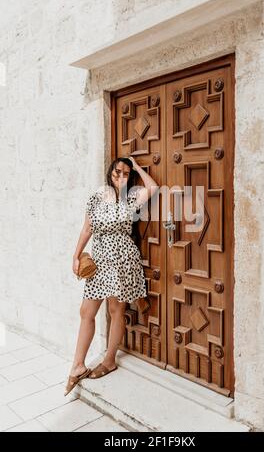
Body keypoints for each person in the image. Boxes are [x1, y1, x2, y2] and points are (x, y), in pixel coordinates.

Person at [64, 156, 159, 396]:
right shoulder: (96, 197)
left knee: (116, 310)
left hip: (123, 261)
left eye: (126, 173)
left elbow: (154, 188)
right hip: (99, 261)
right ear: (111, 171)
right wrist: (76, 256)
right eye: (118, 171)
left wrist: (137, 167)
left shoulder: (131, 198)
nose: (121, 175)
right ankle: (78, 365)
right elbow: (87, 229)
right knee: (87, 312)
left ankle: (109, 360)